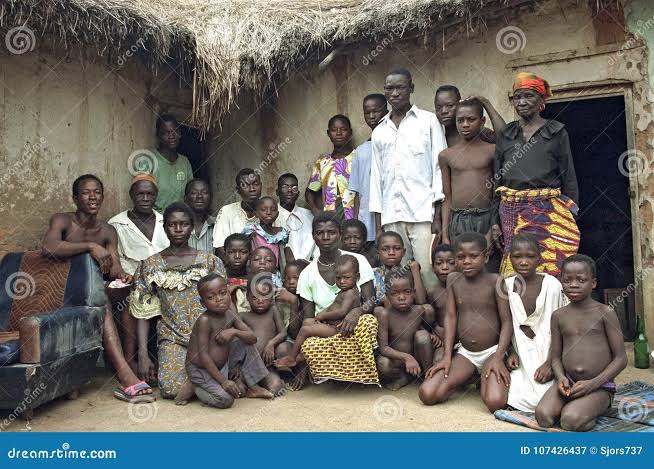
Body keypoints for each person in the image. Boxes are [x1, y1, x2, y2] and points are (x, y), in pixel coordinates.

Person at [41, 174, 154, 402]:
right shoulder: (63, 220)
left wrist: (122, 277)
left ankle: (129, 360)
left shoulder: (107, 231)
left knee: (126, 292)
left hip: (93, 289)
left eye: (97, 192)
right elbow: (48, 247)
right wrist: (90, 246)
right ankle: (124, 374)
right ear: (75, 197)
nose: (93, 197)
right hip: (61, 291)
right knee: (100, 295)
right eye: (86, 192)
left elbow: (114, 268)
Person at [129, 202, 226, 400]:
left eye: (184, 224)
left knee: (222, 379)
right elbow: (143, 313)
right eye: (173, 224)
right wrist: (143, 354)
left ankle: (202, 381)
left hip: (209, 338)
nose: (178, 229)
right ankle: (204, 382)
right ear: (164, 228)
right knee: (171, 389)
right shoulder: (150, 265)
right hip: (173, 338)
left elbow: (225, 307)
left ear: (191, 227)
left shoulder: (210, 262)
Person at [491, 72, 580, 277]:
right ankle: (519, 309)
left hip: (549, 211)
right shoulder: (506, 135)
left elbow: (569, 176)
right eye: (517, 97)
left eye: (529, 96)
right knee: (516, 270)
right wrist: (494, 222)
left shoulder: (557, 132)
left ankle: (550, 310)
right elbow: (497, 179)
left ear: (542, 100)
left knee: (552, 266)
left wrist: (569, 214)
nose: (522, 102)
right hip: (511, 211)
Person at [278, 212, 377, 390]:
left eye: (331, 232)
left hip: (354, 326)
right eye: (320, 233)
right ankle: (309, 366)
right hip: (328, 329)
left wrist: (358, 311)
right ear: (313, 235)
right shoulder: (307, 274)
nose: (325, 237)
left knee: (369, 321)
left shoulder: (358, 261)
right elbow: (310, 317)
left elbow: (371, 300)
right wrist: (321, 319)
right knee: (308, 333)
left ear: (339, 233)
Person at [370, 68, 447, 289]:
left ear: (411, 88)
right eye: (389, 88)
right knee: (400, 279)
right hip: (391, 217)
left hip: (423, 214)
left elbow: (438, 169)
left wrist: (438, 216)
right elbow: (377, 180)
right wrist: (378, 227)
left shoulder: (429, 122)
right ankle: (410, 323)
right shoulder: (379, 132)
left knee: (428, 273)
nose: (394, 93)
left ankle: (434, 319)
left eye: (400, 87)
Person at [418, 232, 512, 413]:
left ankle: (483, 378)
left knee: (494, 402)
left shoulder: (496, 282)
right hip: (466, 353)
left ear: (485, 257)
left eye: (473, 256)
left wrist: (500, 357)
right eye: (461, 257)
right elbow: (451, 317)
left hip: (492, 351)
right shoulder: (454, 279)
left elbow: (507, 322)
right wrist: (447, 356)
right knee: (427, 394)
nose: (467, 261)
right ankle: (466, 378)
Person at [535, 255, 627, 431]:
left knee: (570, 420)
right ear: (561, 282)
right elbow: (555, 357)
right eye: (567, 280)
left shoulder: (605, 312)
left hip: (599, 386)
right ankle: (578, 406)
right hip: (569, 383)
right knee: (543, 416)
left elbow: (621, 359)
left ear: (593, 283)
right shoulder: (558, 316)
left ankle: (592, 407)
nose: (573, 284)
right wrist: (561, 378)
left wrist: (593, 383)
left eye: (581, 280)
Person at [108, 174, 169, 379]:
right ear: (131, 195)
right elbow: (117, 260)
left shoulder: (166, 221)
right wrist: (128, 276)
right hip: (133, 282)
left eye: (149, 194)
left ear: (155, 196)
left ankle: (169, 357)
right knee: (133, 301)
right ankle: (132, 361)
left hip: (164, 281)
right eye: (140, 193)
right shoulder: (117, 224)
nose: (145, 198)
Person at [184, 273, 273, 408]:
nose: (219, 299)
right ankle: (195, 388)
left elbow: (252, 338)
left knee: (245, 342)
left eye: (222, 293)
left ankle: (253, 387)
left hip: (222, 365)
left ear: (228, 294)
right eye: (211, 297)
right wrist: (224, 381)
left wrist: (233, 331)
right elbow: (203, 356)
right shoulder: (205, 320)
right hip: (201, 369)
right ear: (203, 303)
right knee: (226, 400)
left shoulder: (229, 315)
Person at [505, 234, 568, 412]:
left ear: (539, 259)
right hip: (522, 356)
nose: (524, 262)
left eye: (530, 257)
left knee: (554, 393)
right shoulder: (506, 287)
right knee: (514, 394)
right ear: (510, 258)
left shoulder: (553, 285)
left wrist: (550, 362)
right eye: (518, 257)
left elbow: (564, 329)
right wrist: (510, 352)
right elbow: (503, 325)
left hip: (552, 352)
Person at [439, 99, 498, 273]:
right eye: (460, 120)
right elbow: (447, 197)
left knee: (488, 268)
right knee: (461, 270)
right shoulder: (446, 155)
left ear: (482, 121)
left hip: (485, 218)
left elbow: (497, 194)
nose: (465, 125)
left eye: (471, 120)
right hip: (458, 221)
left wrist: (493, 230)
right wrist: (444, 233)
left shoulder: (493, 150)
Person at [274, 254, 361, 370]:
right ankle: (301, 354)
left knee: (306, 329)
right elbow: (333, 306)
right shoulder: (344, 291)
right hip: (330, 325)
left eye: (346, 277)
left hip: (338, 329)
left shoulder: (351, 293)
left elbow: (342, 312)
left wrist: (323, 315)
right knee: (307, 322)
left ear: (357, 277)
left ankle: (292, 358)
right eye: (338, 278)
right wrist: (319, 317)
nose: (342, 281)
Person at [375, 270, 434, 390]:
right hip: (396, 361)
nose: (402, 297)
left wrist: (432, 335)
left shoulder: (419, 311)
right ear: (386, 295)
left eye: (407, 292)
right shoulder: (384, 315)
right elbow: (383, 348)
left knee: (422, 335)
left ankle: (428, 375)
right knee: (382, 363)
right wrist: (407, 358)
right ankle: (402, 377)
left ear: (414, 293)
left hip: (417, 359)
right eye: (395, 293)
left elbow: (424, 331)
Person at [213, 168, 286, 258]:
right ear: (237, 190)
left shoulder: (271, 210)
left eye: (256, 184)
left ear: (261, 186)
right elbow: (220, 246)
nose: (252, 189)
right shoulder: (227, 211)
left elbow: (282, 245)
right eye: (245, 185)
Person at [240, 272, 290, 396]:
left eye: (264, 296)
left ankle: (262, 384)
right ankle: (253, 388)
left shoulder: (273, 310)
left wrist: (271, 343)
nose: (260, 301)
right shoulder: (243, 316)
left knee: (277, 388)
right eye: (255, 297)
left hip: (267, 366)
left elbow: (283, 333)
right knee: (239, 390)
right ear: (247, 297)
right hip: (248, 366)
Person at [348, 94, 388, 245]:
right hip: (367, 219)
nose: (371, 116)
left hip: (389, 216)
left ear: (386, 110)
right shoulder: (361, 150)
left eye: (376, 111)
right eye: (367, 112)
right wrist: (356, 221)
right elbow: (357, 192)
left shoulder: (394, 144)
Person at [305, 115, 356, 224]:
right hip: (331, 221)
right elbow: (311, 190)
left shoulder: (358, 158)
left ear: (350, 132)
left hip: (356, 218)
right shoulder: (322, 163)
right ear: (328, 133)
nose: (338, 133)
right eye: (334, 130)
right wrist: (315, 209)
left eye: (343, 129)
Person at [145, 114, 193, 212]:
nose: (171, 136)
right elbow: (143, 196)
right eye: (165, 133)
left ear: (179, 133)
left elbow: (190, 194)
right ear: (158, 135)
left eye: (175, 131)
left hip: (180, 219)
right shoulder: (148, 160)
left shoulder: (185, 162)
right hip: (156, 220)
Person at [434, 85, 505, 147]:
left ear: (460, 104)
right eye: (438, 107)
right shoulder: (434, 134)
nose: (443, 111)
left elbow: (505, 138)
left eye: (450, 105)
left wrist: (486, 103)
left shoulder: (476, 132)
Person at [423, 244, 455, 368]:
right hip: (442, 340)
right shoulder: (432, 291)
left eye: (451, 263)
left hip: (464, 342)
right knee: (438, 361)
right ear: (433, 267)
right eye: (439, 263)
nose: (445, 267)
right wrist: (434, 330)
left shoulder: (465, 288)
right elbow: (428, 317)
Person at [373, 231, 426, 307]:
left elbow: (421, 301)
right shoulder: (373, 274)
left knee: (427, 308)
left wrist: (415, 270)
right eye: (385, 249)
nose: (391, 253)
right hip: (385, 315)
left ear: (403, 252)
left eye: (397, 248)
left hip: (408, 314)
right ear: (378, 253)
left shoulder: (408, 273)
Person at [242, 196, 292, 270]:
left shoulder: (281, 233)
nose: (269, 213)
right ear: (256, 213)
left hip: (274, 272)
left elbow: (282, 254)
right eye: (263, 210)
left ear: (277, 214)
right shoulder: (252, 230)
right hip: (255, 270)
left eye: (273, 210)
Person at [276, 173, 316, 261]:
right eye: (285, 187)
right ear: (277, 192)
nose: (290, 190)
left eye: (294, 187)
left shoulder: (310, 216)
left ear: (298, 193)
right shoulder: (271, 216)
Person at [185, 178, 215, 252]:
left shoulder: (217, 224)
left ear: (210, 197)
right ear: (186, 198)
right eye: (194, 193)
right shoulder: (178, 226)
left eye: (204, 192)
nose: (199, 196)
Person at [222, 233, 251, 312]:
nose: (237, 256)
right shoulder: (220, 277)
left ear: (250, 254)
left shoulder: (254, 277)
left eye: (243, 252)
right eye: (231, 252)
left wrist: (238, 285)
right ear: (225, 254)